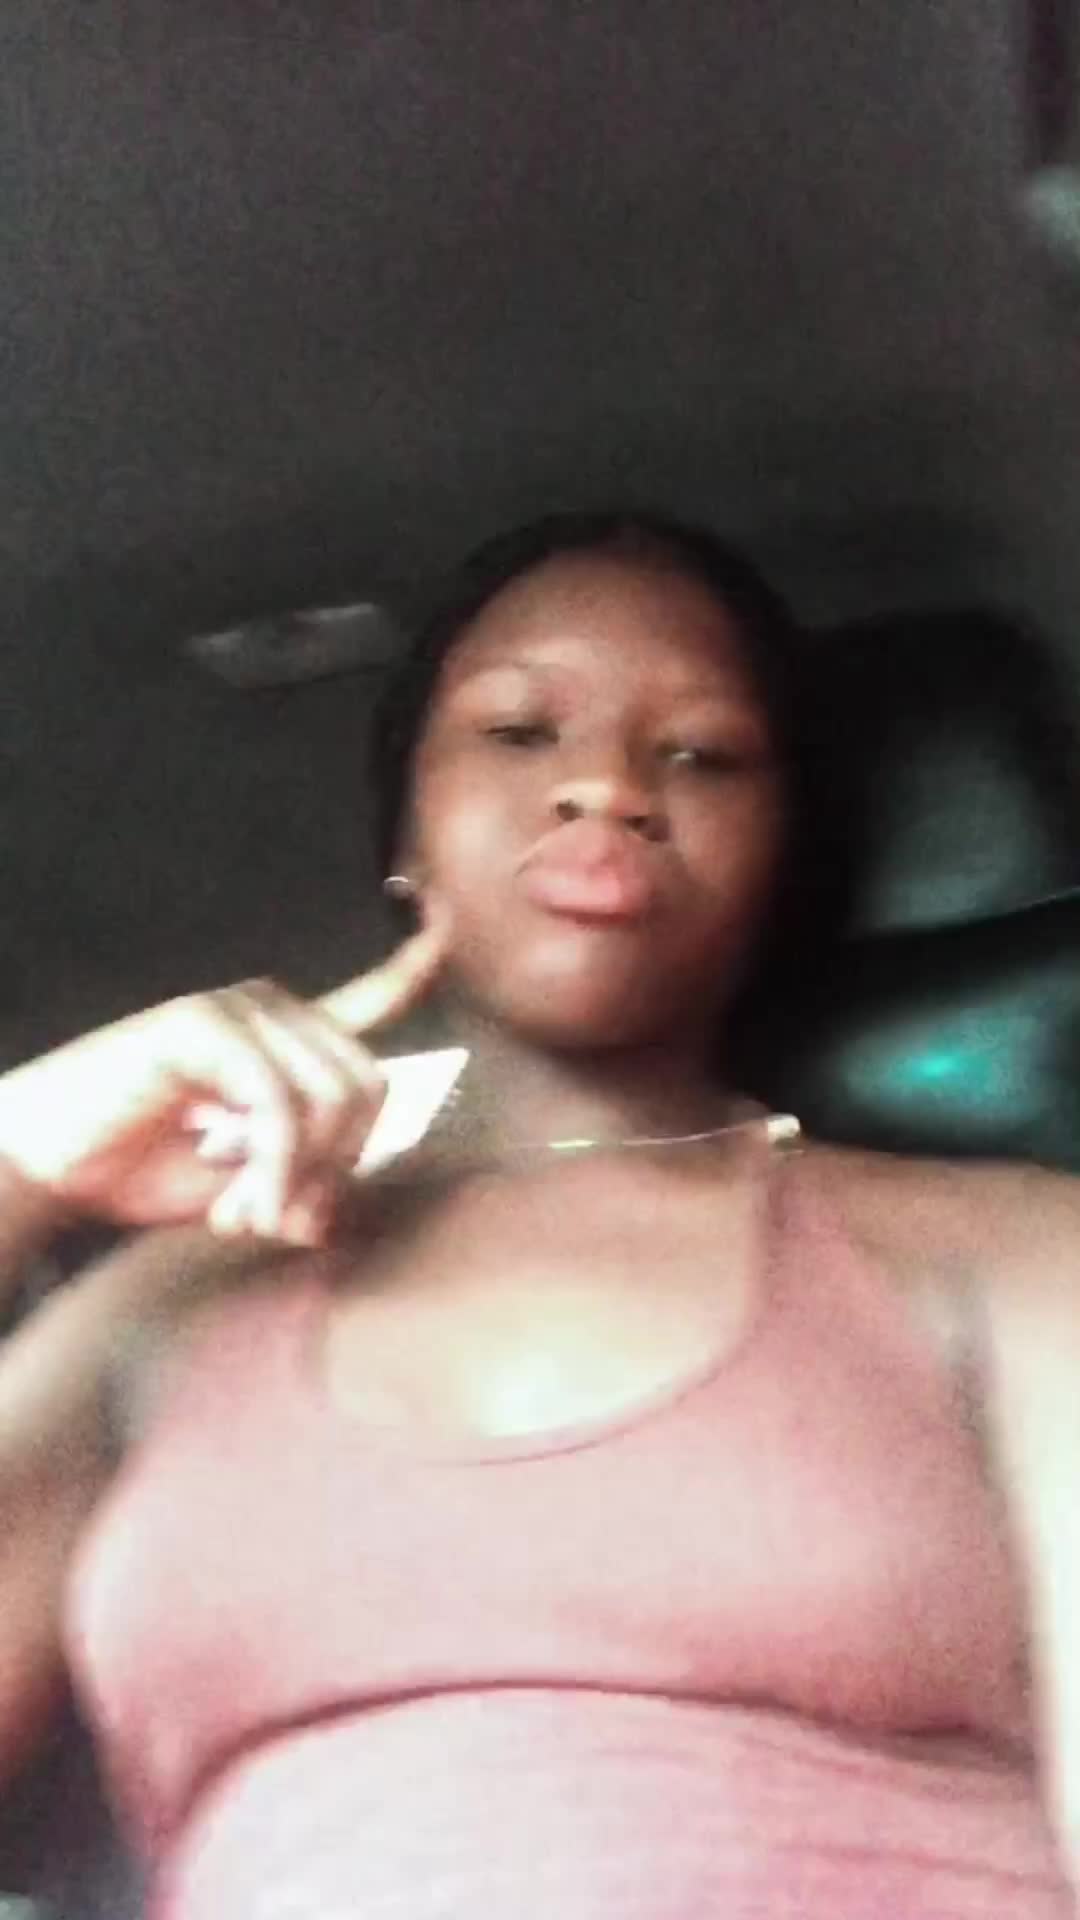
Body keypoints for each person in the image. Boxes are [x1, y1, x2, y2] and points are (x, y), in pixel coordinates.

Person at [0, 509, 1079, 1918]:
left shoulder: (1013, 1255)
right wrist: (15, 1168)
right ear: (409, 837)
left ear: (778, 861)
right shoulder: (160, 1309)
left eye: (704, 754)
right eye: (520, 732)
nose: (607, 787)